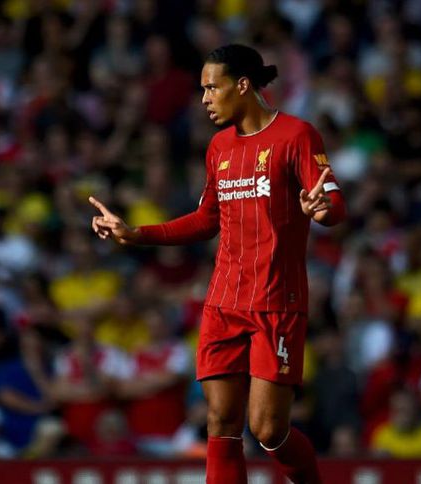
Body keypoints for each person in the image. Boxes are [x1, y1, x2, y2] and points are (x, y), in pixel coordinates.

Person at [89, 44, 346, 484]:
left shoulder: (297, 135)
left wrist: (322, 211)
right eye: (202, 89)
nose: (205, 99)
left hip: (275, 302)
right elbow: (207, 220)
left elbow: (333, 204)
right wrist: (136, 233)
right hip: (223, 302)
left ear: (242, 85)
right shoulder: (219, 147)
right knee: (221, 423)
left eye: (212, 88)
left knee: (268, 430)